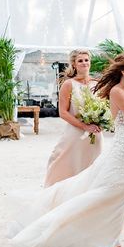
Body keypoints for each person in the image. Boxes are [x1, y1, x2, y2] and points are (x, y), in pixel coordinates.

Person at [9, 53, 124, 247]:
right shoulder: (115, 90)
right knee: (110, 193)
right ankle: (114, 245)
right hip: (99, 143)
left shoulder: (123, 88)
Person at [44, 49, 103, 187]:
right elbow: (63, 112)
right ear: (74, 64)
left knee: (93, 166)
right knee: (62, 161)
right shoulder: (69, 84)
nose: (84, 63)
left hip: (95, 134)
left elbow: (103, 106)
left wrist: (102, 121)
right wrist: (84, 126)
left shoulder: (97, 83)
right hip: (75, 134)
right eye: (80, 60)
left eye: (86, 60)